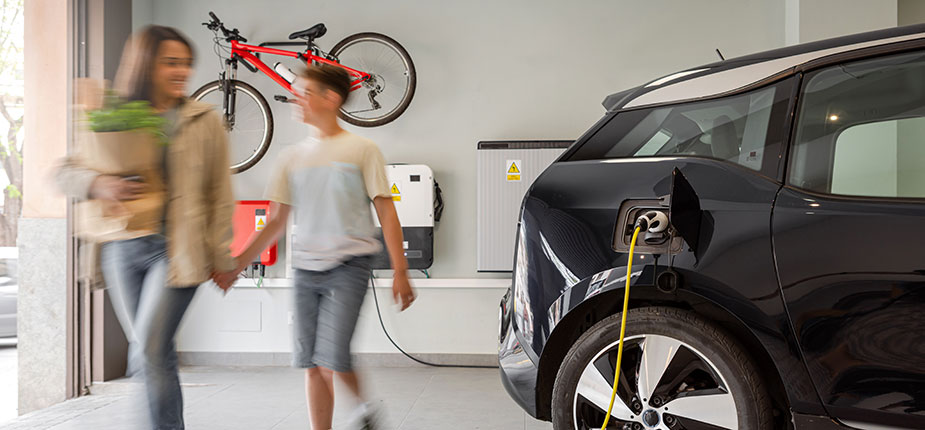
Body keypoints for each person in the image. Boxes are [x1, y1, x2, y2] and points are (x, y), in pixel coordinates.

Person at [214, 64, 416, 430]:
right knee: (312, 362)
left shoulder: (362, 149)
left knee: (331, 357)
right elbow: (276, 220)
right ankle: (352, 415)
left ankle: (360, 410)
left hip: (350, 265)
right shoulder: (290, 157)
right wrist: (237, 264)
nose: (296, 98)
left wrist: (401, 272)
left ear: (331, 98)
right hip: (305, 270)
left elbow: (387, 213)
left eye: (304, 91)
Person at [57, 26, 235, 429]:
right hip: (121, 247)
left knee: (148, 352)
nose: (181, 71)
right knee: (154, 354)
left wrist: (223, 256)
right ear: (145, 63)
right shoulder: (111, 115)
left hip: (178, 250)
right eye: (170, 62)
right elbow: (64, 172)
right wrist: (99, 183)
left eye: (186, 64)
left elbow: (220, 195)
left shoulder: (203, 119)